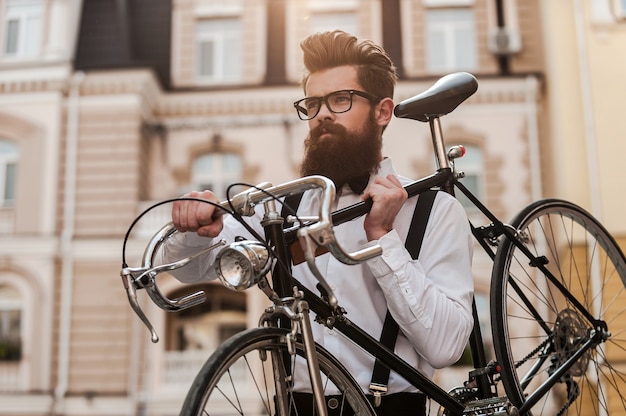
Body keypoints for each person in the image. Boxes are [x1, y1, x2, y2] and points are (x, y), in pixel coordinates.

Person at [159, 30, 474, 416]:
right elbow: (191, 268)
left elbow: (445, 347)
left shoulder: (433, 209)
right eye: (313, 103)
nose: (322, 113)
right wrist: (196, 230)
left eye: (341, 99)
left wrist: (383, 239)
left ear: (382, 111)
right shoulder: (282, 208)